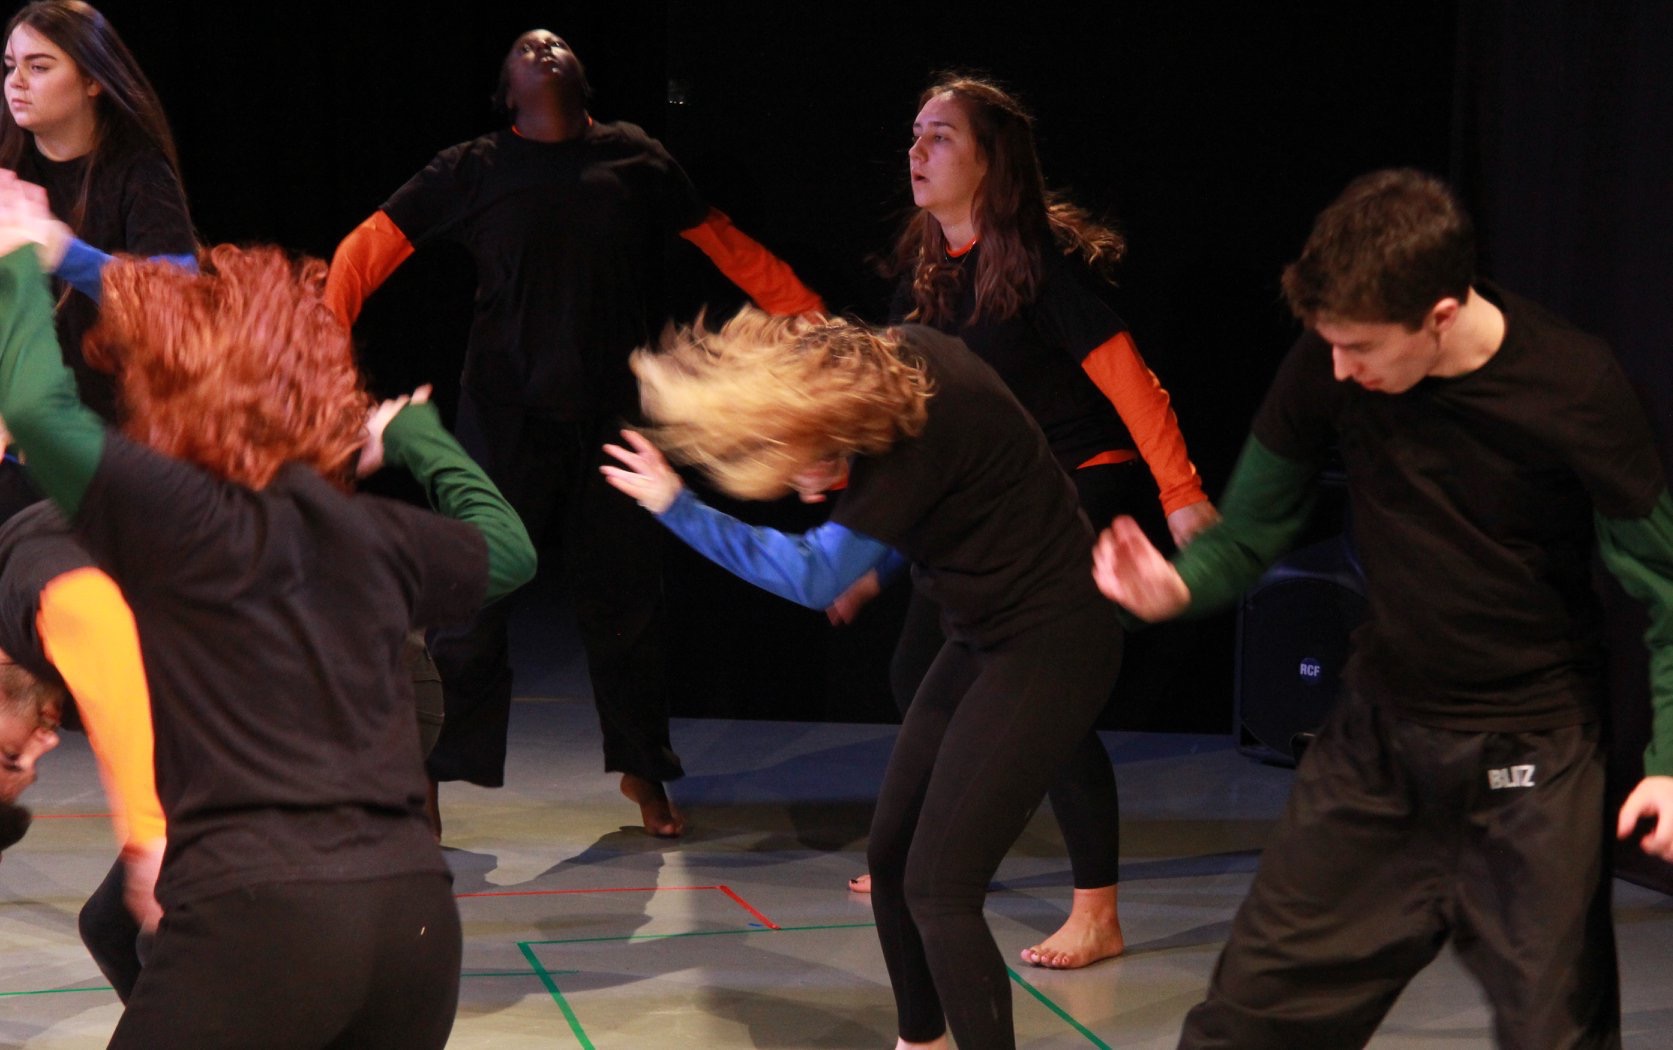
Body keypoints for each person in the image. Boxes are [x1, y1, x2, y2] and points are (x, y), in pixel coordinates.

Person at [1093, 168, 1673, 1048]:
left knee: (1555, 1034)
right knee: (1245, 1023)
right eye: (1327, 343)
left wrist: (1670, 763)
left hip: (1532, 759)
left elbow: (1664, 583)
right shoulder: (1328, 361)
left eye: (1359, 347)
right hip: (1376, 743)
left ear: (1439, 316)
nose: (1338, 367)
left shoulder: (1573, 387)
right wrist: (1175, 587)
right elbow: (1248, 531)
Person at [0, 180, 536, 1046]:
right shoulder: (369, 533)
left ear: (171, 388)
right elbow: (509, 551)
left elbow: (36, 409)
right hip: (415, 926)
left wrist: (15, 261)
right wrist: (417, 438)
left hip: (260, 922)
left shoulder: (174, 513)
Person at [325, 28, 824, 838]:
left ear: (583, 79)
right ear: (505, 93)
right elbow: (367, 249)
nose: (543, 46)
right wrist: (323, 339)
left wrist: (803, 311)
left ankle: (642, 768)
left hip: (611, 416)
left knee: (626, 598)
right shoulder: (473, 167)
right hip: (504, 415)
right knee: (471, 599)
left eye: (555, 44)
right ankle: (428, 774)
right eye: (526, 48)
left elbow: (725, 243)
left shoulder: (635, 157)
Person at [603, 308, 1122, 1050]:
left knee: (939, 888)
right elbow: (970, 487)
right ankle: (920, 1043)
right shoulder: (912, 362)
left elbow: (812, 575)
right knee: (892, 856)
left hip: (1050, 643)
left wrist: (676, 507)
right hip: (982, 634)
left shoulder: (907, 446)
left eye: (802, 467)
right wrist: (876, 569)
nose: (810, 494)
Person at [837, 74, 1219, 970]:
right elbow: (908, 429)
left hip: (1078, 485)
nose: (916, 152)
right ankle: (935, 850)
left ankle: (1097, 910)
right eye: (914, 134)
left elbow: (1133, 382)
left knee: (1047, 694)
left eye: (939, 136)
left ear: (989, 160)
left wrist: (1180, 494)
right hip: (994, 504)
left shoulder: (1036, 266)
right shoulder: (927, 277)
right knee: (915, 670)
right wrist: (865, 555)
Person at [1, 0, 193, 420]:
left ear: (92, 80)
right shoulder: (6, 166)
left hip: (119, 429)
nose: (16, 82)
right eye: (10, 67)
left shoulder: (141, 174)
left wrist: (63, 252)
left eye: (38, 67)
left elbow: (178, 305)